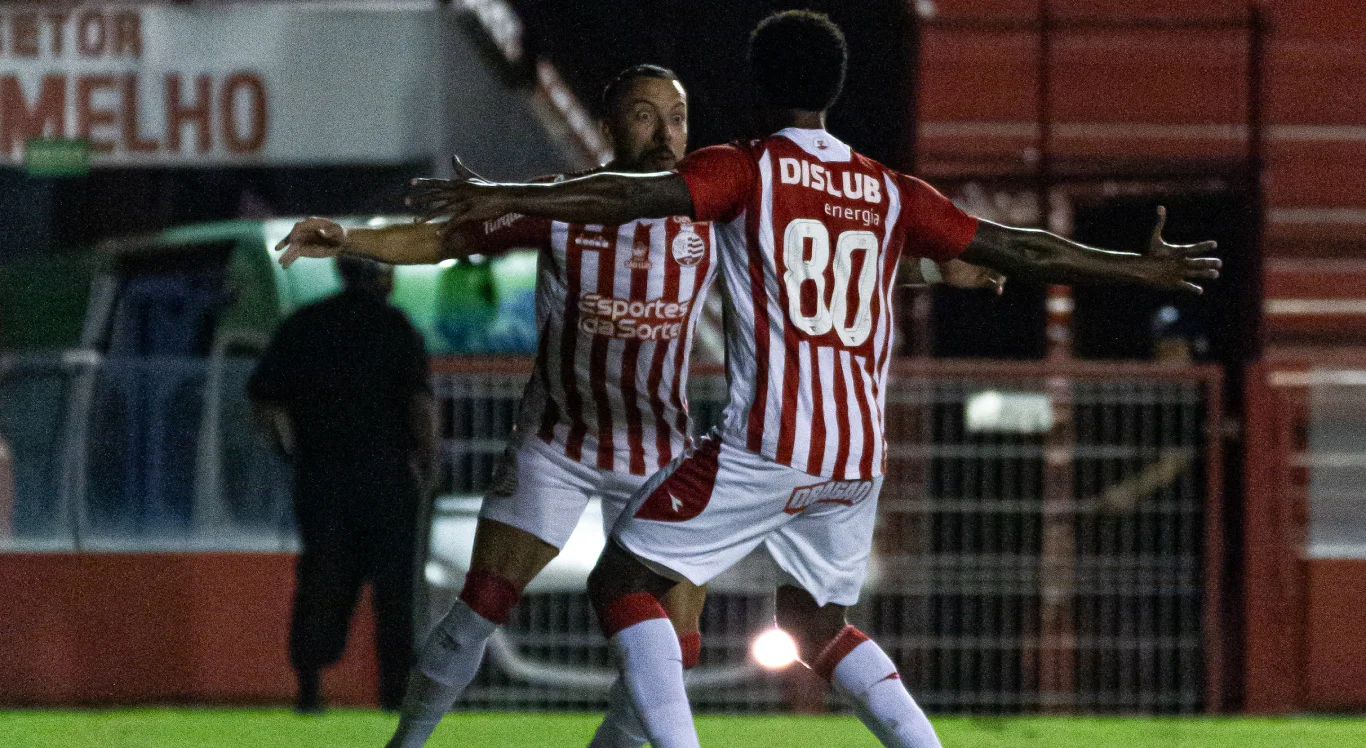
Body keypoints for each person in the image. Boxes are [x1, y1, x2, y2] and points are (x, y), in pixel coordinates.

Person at [406, 11, 1221, 748]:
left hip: (768, 443)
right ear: (839, 88)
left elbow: (628, 194)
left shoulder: (745, 171)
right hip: (857, 454)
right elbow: (1019, 248)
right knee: (813, 622)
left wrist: (504, 194)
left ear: (754, 86)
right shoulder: (887, 189)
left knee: (621, 578)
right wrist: (1134, 269)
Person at [277, 64, 999, 747]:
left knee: (669, 651)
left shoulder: (714, 210)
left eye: (678, 118)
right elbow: (441, 239)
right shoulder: (561, 204)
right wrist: (351, 238)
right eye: (645, 115)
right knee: (480, 610)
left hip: (660, 447)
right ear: (607, 126)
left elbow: (824, 261)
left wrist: (939, 268)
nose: (664, 133)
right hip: (560, 442)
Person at [248, 256, 438, 714]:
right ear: (380, 277)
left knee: (322, 578)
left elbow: (265, 399)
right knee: (396, 590)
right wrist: (431, 462)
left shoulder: (304, 325)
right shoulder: (395, 327)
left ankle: (310, 687)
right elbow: (419, 403)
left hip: (322, 476)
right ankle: (395, 694)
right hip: (387, 477)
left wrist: (289, 451)